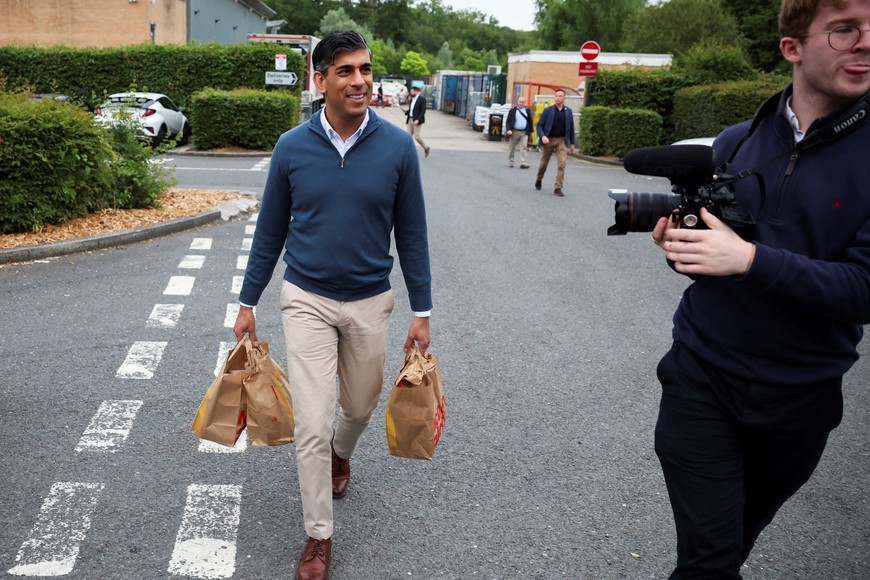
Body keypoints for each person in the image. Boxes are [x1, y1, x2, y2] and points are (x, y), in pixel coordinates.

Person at [649, 0, 870, 577]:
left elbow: (863, 290)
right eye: (845, 30)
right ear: (792, 48)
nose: (866, 43)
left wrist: (748, 259)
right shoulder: (735, 143)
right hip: (702, 381)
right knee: (711, 560)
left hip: (803, 399)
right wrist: (683, 247)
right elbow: (705, 264)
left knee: (730, 546)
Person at [233, 30, 432, 580]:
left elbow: (412, 234)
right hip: (307, 300)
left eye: (365, 69)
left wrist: (423, 312)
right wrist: (247, 301)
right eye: (345, 71)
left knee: (361, 406)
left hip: (371, 300)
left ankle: (343, 453)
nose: (360, 80)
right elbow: (269, 232)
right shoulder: (292, 148)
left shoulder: (397, 148)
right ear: (319, 81)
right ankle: (318, 537)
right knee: (312, 424)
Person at [534, 88, 575, 197]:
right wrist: (542, 136)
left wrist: (572, 143)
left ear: (564, 98)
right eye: (556, 96)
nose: (558, 98)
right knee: (544, 163)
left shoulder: (568, 111)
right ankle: (539, 179)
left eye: (560, 96)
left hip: (561, 140)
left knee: (562, 163)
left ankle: (558, 187)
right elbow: (539, 125)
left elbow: (571, 128)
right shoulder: (548, 110)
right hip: (549, 139)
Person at [506, 96, 533, 169]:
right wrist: (508, 129)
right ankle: (511, 162)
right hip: (514, 131)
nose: (521, 103)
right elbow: (508, 121)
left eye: (523, 102)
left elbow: (530, 121)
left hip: (524, 132)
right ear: (517, 102)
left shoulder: (527, 110)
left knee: (524, 147)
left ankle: (523, 162)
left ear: (525, 103)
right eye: (520, 102)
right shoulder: (513, 110)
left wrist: (531, 131)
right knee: (512, 147)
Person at [404, 86, 430, 157]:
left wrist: (418, 119)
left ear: (416, 91)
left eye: (412, 92)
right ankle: (407, 152)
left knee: (417, 137)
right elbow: (412, 110)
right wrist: (406, 112)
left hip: (416, 120)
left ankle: (426, 147)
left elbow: (423, 111)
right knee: (408, 136)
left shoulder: (422, 99)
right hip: (410, 119)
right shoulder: (412, 99)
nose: (411, 93)